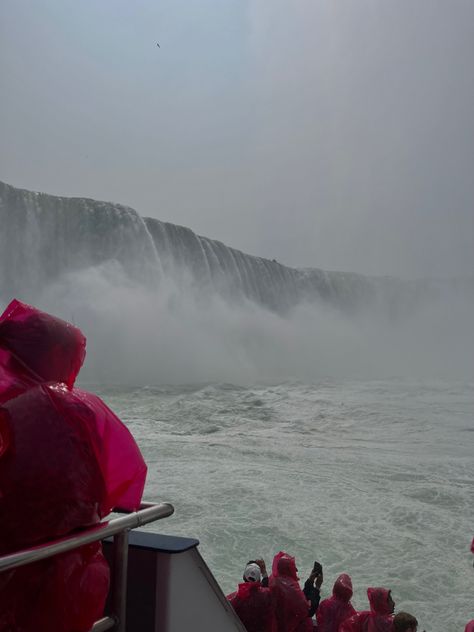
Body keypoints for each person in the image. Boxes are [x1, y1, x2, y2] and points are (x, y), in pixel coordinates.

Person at [269, 551, 313, 632]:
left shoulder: (272, 580)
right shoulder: (292, 587)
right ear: (289, 568)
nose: (296, 569)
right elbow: (305, 610)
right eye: (293, 566)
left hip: (274, 626)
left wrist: (310, 581)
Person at [227, 561, 275, 632]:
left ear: (243, 576)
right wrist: (264, 573)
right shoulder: (267, 595)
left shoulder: (236, 598)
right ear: (259, 580)